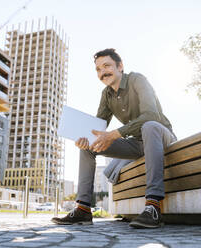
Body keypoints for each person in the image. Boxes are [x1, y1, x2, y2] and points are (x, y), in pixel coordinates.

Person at [51, 48, 176, 228]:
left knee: (149, 126)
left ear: (120, 66)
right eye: (98, 69)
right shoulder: (106, 95)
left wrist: (116, 134)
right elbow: (98, 129)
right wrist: (85, 139)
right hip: (137, 144)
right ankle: (83, 209)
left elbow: (151, 116)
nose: (103, 72)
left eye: (107, 66)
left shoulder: (137, 80)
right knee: (89, 146)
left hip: (161, 137)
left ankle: (153, 207)